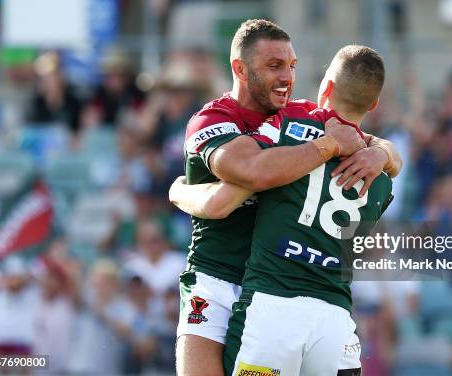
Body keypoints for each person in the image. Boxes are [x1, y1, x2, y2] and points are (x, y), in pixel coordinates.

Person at [170, 19, 401, 376]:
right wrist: (180, 192)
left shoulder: (298, 118)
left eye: (292, 66)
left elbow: (361, 138)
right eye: (274, 66)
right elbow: (248, 176)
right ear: (240, 69)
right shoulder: (214, 118)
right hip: (217, 278)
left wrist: (382, 153)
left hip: (273, 289)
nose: (287, 77)